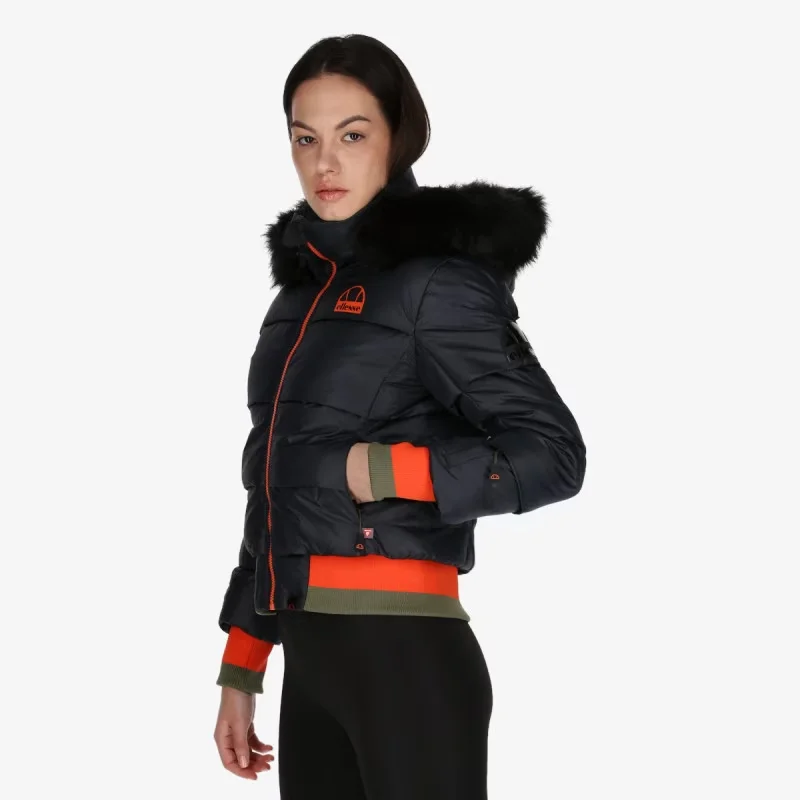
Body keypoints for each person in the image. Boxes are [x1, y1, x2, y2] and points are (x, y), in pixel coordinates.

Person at [212, 33, 586, 800]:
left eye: (352, 136)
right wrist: (244, 662)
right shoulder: (297, 302)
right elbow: (274, 485)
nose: (325, 163)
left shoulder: (436, 283)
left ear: (399, 139)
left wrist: (378, 470)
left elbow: (552, 454)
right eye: (306, 139)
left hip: (407, 656)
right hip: (310, 666)